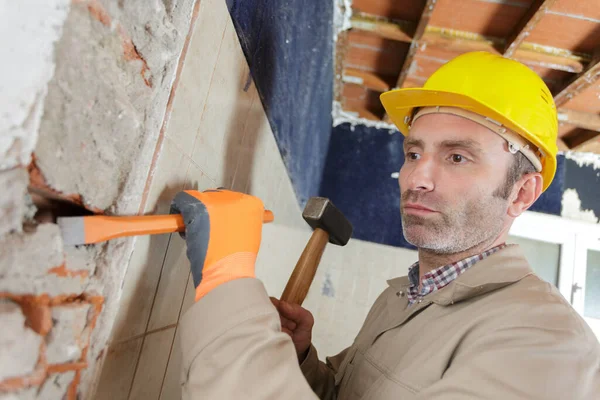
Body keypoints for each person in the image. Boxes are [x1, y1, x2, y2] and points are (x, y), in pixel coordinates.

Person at [172, 52, 600, 399]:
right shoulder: (402, 297)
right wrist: (302, 360)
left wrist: (227, 284)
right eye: (414, 154)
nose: (415, 178)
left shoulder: (549, 344)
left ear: (521, 194)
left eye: (457, 157)